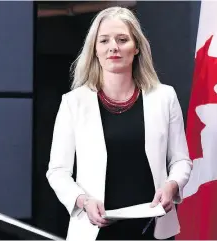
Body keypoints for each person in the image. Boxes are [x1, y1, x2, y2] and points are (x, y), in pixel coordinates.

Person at [46, 6, 192, 240]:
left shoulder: (164, 97)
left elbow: (181, 160)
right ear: (95, 49)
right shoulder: (74, 102)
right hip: (96, 229)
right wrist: (83, 201)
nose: (113, 46)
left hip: (151, 228)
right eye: (104, 40)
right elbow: (57, 172)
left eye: (122, 39)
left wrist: (172, 185)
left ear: (136, 48)